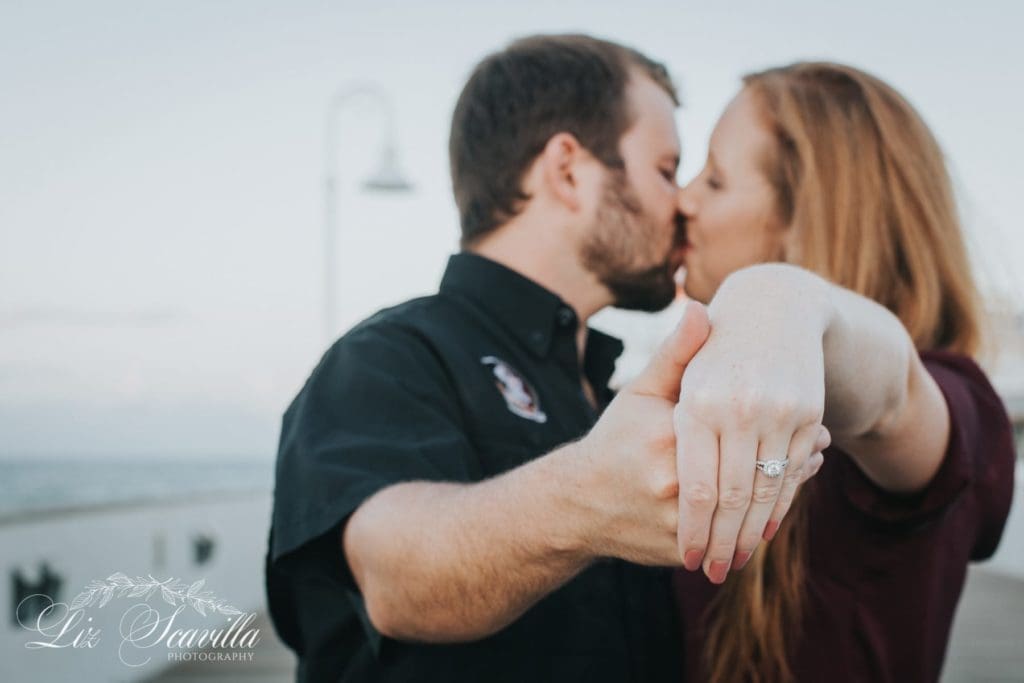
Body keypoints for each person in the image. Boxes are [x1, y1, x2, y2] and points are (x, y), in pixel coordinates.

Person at [264, 35, 827, 683]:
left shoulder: (613, 393)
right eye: (666, 170)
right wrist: (589, 497)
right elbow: (393, 578)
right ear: (567, 171)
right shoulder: (387, 358)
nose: (683, 203)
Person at [669, 62, 1016, 682]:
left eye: (715, 180)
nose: (685, 200)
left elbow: (892, 395)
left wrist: (776, 296)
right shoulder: (712, 394)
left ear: (807, 220)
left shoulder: (956, 401)